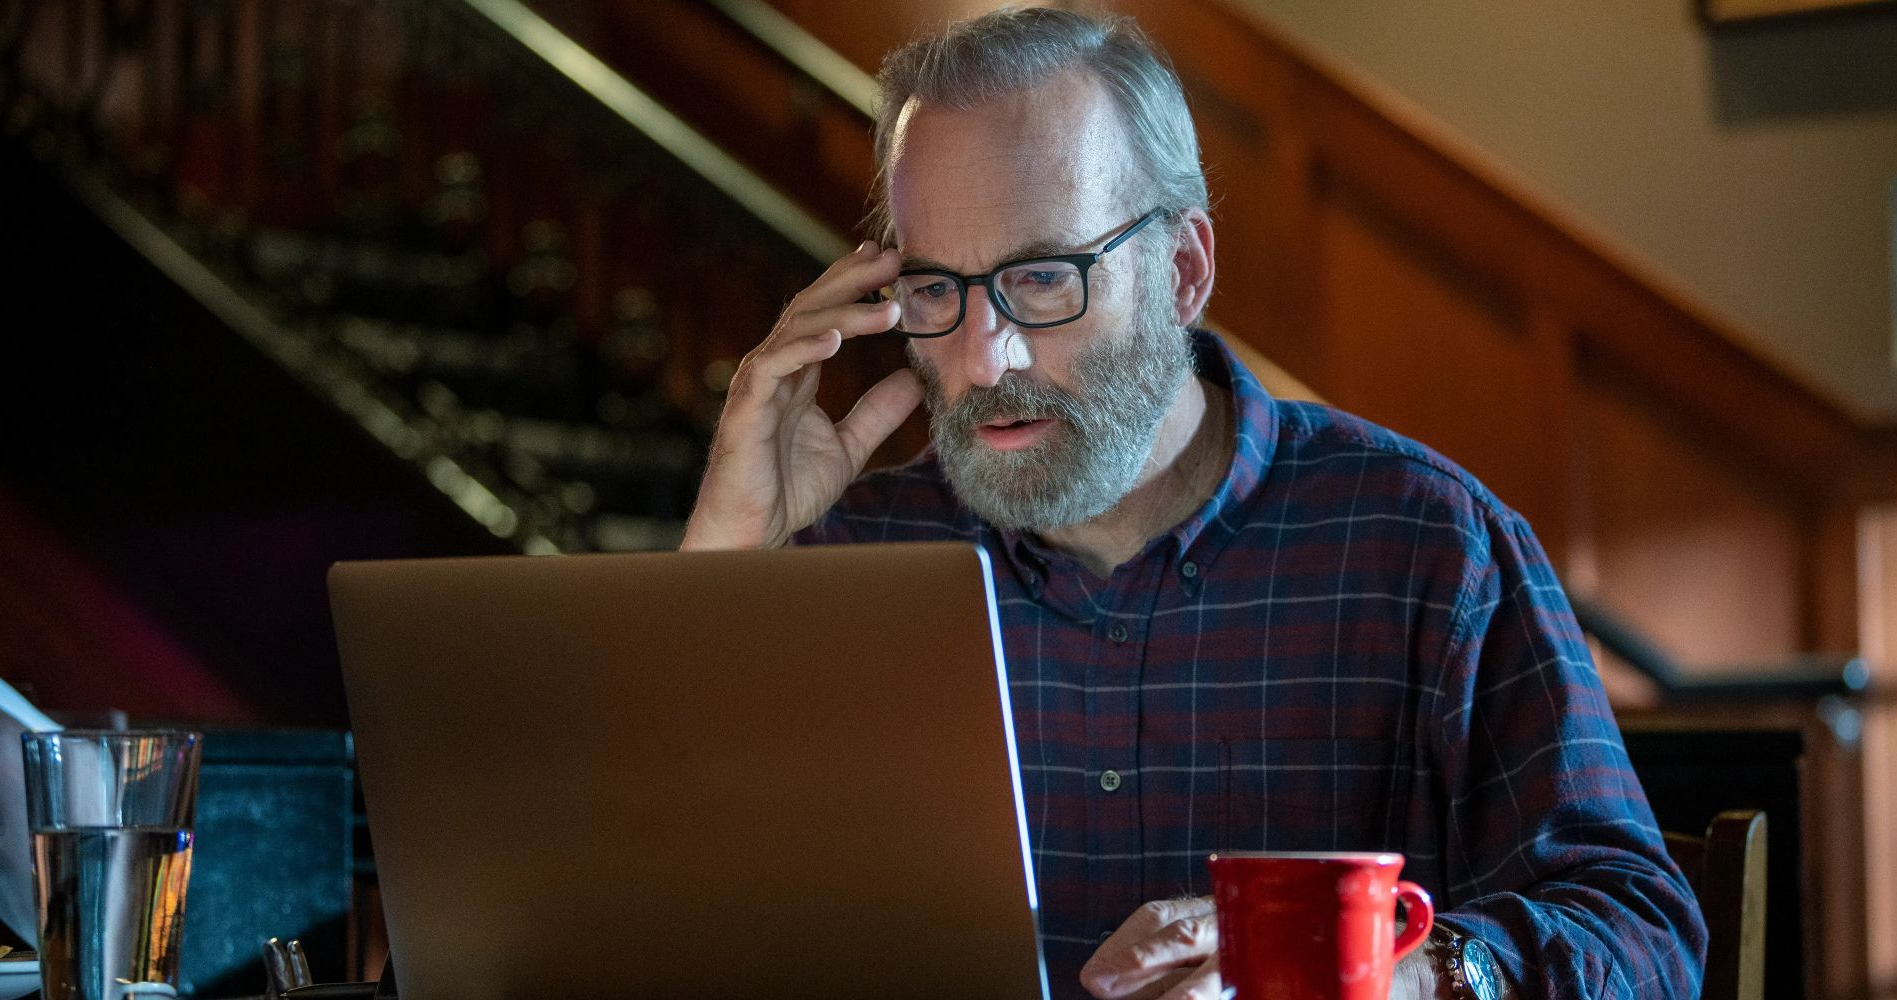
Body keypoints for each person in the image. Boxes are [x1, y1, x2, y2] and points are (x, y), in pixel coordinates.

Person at [681, 8, 1704, 999]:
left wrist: (1386, 974)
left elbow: (1641, 931)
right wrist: (727, 560)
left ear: (1180, 270)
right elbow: (655, 926)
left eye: (1041, 279)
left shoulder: (1423, 540)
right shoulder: (849, 557)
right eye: (936, 289)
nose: (982, 358)